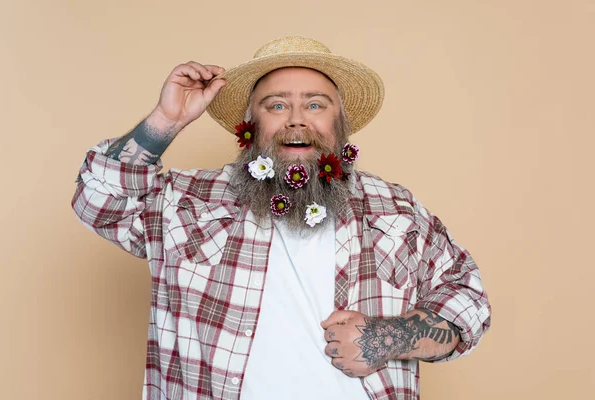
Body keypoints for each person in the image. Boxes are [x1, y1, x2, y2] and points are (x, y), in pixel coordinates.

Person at [72, 36, 491, 400]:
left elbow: (469, 299)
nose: (296, 118)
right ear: (250, 125)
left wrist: (391, 336)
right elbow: (98, 198)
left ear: (340, 123)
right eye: (276, 105)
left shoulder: (395, 208)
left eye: (315, 104)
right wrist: (166, 120)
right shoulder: (187, 201)